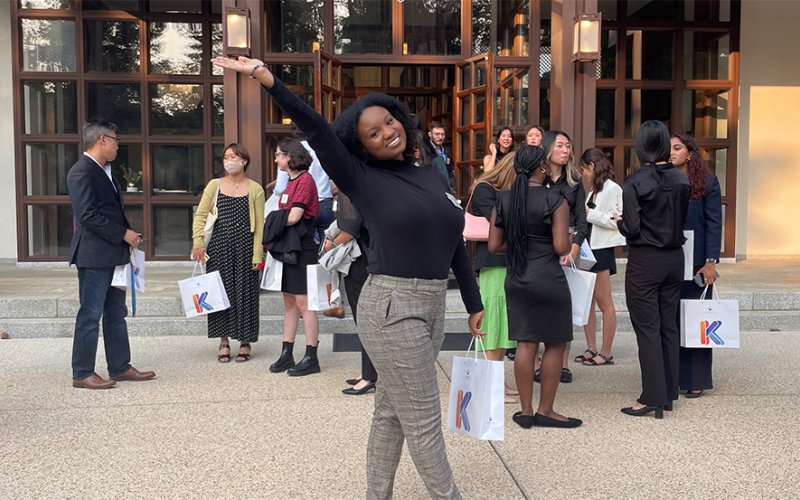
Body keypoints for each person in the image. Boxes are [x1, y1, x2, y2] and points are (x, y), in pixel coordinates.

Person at [212, 55, 484, 500]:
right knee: (423, 419)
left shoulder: (431, 178)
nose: (387, 132)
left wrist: (473, 305)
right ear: (364, 148)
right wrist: (268, 80)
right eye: (373, 133)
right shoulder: (362, 178)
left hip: (434, 305)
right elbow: (317, 129)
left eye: (389, 122)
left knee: (392, 414)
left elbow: (454, 243)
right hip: (390, 308)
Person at [488, 144, 582, 429]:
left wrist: (520, 246)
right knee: (555, 343)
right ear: (542, 166)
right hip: (547, 278)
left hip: (517, 277)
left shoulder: (504, 199)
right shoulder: (556, 198)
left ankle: (526, 410)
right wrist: (567, 236)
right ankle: (546, 410)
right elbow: (560, 246)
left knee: (525, 343)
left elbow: (494, 245)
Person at [66, 119, 155, 389]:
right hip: (93, 256)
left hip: (115, 256)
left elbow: (111, 211)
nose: (118, 145)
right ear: (102, 139)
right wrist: (122, 234)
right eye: (116, 140)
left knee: (116, 313)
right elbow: (87, 215)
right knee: (90, 314)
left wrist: (128, 233)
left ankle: (120, 366)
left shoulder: (106, 171)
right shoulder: (81, 172)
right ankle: (82, 372)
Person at [614, 120, 690, 419]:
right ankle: (669, 392)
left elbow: (631, 229)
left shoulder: (635, 182)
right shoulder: (682, 180)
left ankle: (652, 396)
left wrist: (620, 222)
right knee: (668, 325)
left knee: (647, 328)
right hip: (674, 258)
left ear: (641, 146)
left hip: (646, 259)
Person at [191, 143, 264, 363]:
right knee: (218, 294)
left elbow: (260, 225)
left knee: (245, 294)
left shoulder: (255, 189)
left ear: (244, 161)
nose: (229, 160)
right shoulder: (214, 185)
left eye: (234, 156)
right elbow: (201, 215)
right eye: (226, 157)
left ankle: (244, 340)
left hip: (245, 248)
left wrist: (258, 254)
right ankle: (223, 340)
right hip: (219, 247)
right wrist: (198, 242)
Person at [671, 133, 722, 398]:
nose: (672, 152)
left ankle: (696, 378)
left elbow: (714, 223)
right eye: (669, 148)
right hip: (668, 260)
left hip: (698, 263)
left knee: (696, 320)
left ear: (690, 153)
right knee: (672, 321)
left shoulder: (707, 182)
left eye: (677, 148)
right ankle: (672, 377)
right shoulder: (663, 179)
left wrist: (710, 262)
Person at [266, 138, 322, 377]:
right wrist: (279, 216)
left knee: (304, 303)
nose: (276, 158)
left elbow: (293, 217)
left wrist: (270, 219)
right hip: (290, 247)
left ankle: (312, 356)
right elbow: (286, 215)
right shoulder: (291, 182)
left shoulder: (305, 181)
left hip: (302, 248)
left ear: (290, 157)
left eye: (279, 155)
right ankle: (287, 352)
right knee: (289, 302)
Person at [468, 152, 518, 404]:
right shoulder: (485, 189)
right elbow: (499, 222)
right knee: (494, 318)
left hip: (507, 262)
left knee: (503, 321)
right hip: (493, 262)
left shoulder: (503, 191)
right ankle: (490, 384)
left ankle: (497, 379)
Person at [540, 130, 588, 383]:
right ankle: (541, 362)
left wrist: (575, 247)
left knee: (565, 307)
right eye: (560, 145)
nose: (566, 150)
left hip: (569, 247)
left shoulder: (574, 181)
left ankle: (563, 364)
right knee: (542, 305)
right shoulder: (537, 179)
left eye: (568, 146)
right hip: (540, 247)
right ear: (548, 148)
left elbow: (582, 218)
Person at [324, 193, 378, 396]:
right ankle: (370, 373)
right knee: (367, 319)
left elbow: (351, 228)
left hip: (359, 261)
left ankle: (369, 376)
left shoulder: (350, 191)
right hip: (371, 258)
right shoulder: (367, 187)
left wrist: (331, 244)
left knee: (364, 320)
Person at [577, 148, 625, 366]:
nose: (583, 173)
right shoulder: (594, 189)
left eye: (584, 169)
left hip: (602, 249)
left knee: (604, 302)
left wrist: (590, 214)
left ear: (592, 166)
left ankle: (606, 351)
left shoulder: (613, 188)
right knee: (587, 302)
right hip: (588, 247)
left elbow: (618, 220)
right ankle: (591, 347)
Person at [273, 135, 335, 244]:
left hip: (303, 210)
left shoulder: (301, 176)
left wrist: (272, 221)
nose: (275, 159)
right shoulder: (322, 149)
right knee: (325, 250)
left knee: (308, 246)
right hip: (325, 203)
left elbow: (280, 188)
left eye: (277, 155)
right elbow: (339, 178)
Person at [428, 121, 454, 192]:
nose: (440, 137)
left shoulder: (447, 151)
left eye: (442, 134)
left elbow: (450, 171)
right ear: (430, 134)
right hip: (432, 188)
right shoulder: (426, 150)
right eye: (437, 134)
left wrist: (452, 186)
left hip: (446, 188)